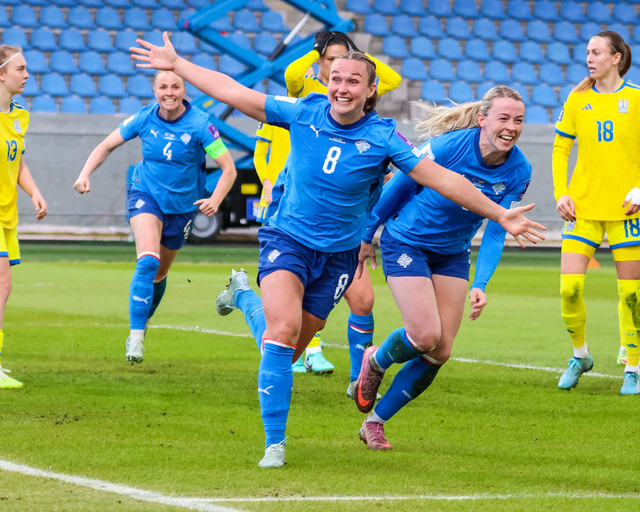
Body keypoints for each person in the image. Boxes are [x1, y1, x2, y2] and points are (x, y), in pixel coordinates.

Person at [130, 31, 544, 468]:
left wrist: (499, 214)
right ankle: (275, 445)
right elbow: (235, 92)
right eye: (336, 79)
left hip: (339, 257)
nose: (342, 88)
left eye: (353, 82)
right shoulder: (303, 111)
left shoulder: (384, 137)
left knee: (286, 348)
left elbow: (443, 179)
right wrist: (179, 65)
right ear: (327, 81)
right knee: (282, 334)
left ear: (370, 90)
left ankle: (243, 296)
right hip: (287, 239)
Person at [353, 86, 533, 450]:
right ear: (482, 120)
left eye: (518, 120)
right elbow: (398, 187)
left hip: (452, 253)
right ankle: (377, 359)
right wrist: (368, 234)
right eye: (503, 118)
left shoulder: (520, 170)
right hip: (407, 241)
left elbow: (497, 229)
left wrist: (481, 283)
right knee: (424, 335)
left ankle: (375, 422)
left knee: (440, 351)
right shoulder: (450, 147)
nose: (511, 127)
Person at [73, 70, 236, 364]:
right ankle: (135, 337)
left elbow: (228, 168)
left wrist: (215, 199)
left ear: (184, 90)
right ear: (154, 90)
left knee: (159, 275)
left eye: (175, 86)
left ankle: (142, 323)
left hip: (182, 208)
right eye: (163, 87)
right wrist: (85, 173)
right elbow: (106, 145)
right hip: (145, 195)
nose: (169, 92)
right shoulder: (145, 118)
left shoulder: (200, 124)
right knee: (148, 260)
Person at [284, 30, 402, 378]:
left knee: (363, 301)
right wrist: (316, 52)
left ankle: (357, 380)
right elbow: (291, 75)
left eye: (351, 74)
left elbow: (391, 80)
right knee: (288, 322)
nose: (342, 77)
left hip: (346, 232)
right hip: (298, 215)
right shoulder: (307, 94)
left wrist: (357, 57)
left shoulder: (370, 123)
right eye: (332, 63)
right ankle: (306, 349)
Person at [552, 31, 640, 395]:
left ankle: (633, 366)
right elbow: (560, 148)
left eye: (597, 52)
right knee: (569, 289)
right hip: (583, 210)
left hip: (627, 212)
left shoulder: (636, 98)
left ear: (616, 57)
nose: (589, 58)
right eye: (587, 52)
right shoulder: (577, 99)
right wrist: (562, 193)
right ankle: (580, 356)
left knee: (631, 295)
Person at [0, 45, 48, 389]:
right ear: (1, 74)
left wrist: (35, 192)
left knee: (3, 287)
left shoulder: (20, 115)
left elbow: (18, 162)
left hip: (7, 215)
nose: (27, 75)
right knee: (2, 284)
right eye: (20, 69)